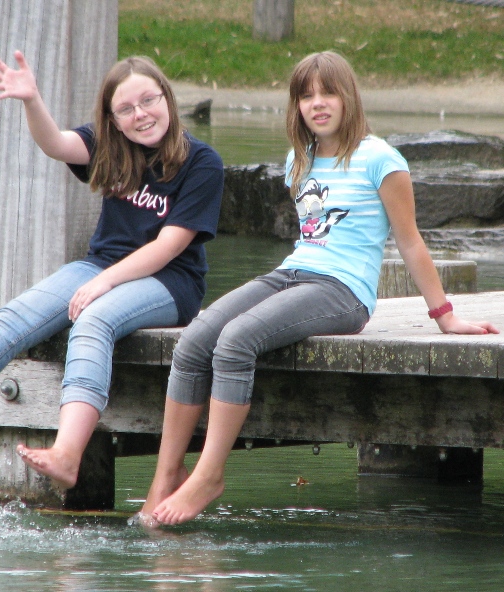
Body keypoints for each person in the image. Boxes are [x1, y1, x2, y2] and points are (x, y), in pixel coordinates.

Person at [138, 50, 499, 527]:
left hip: (343, 291)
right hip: (294, 272)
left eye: (328, 92)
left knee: (236, 341)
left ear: (348, 97)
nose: (318, 103)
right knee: (194, 340)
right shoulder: (299, 159)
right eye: (306, 96)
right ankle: (166, 475)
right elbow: (311, 238)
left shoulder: (381, 159)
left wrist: (445, 316)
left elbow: (410, 242)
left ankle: (208, 475)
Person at [0, 51, 224, 490]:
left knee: (93, 320)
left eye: (149, 100)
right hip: (100, 267)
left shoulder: (201, 162)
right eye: (126, 109)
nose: (141, 114)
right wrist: (31, 99)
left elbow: (168, 247)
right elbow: (56, 144)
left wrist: (103, 283)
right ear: (113, 121)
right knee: (14, 317)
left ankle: (67, 454)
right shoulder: (111, 146)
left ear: (167, 99)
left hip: (169, 282)